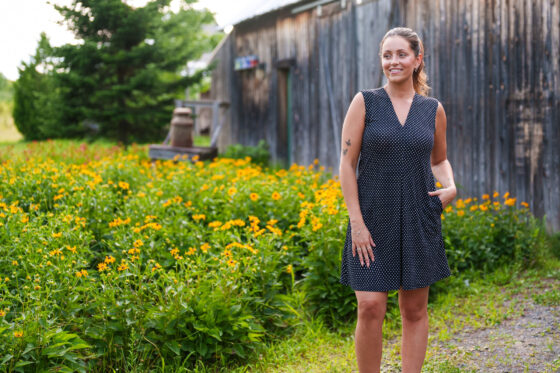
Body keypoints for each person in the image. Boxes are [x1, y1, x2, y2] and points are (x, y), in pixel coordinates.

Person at [338, 27, 457, 373]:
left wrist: (450, 185)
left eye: (401, 54)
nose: (393, 61)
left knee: (415, 310)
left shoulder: (433, 110)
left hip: (419, 218)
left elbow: (439, 160)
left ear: (418, 59)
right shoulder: (366, 102)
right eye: (387, 55)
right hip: (372, 220)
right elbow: (346, 164)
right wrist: (356, 223)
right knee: (370, 307)